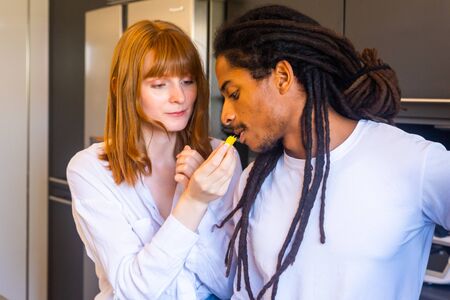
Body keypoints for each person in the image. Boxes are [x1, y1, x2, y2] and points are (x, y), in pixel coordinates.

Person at [212, 5, 450, 300]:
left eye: (233, 94)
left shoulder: (413, 162)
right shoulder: (252, 182)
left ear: (282, 77)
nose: (225, 115)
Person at [67, 20, 240, 300]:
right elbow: (135, 290)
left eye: (188, 81)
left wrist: (200, 200)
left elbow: (230, 283)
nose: (180, 97)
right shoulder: (89, 170)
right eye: (159, 84)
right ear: (123, 88)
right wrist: (193, 202)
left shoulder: (220, 157)